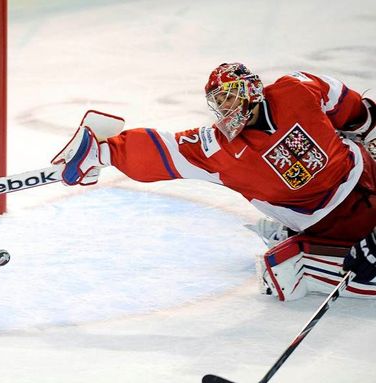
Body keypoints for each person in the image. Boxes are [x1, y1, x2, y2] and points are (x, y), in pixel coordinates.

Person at [52, 63, 376, 301]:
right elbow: (165, 150)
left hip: (366, 169)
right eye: (219, 103)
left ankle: (306, 249)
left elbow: (351, 110)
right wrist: (104, 152)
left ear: (250, 90)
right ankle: (308, 253)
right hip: (330, 221)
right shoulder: (218, 148)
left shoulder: (297, 88)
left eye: (230, 98)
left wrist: (367, 125)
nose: (225, 109)